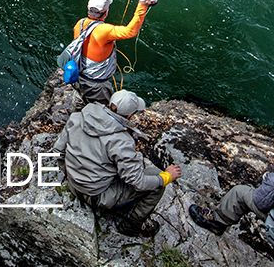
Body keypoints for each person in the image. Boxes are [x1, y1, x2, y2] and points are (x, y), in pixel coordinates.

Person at [53, 88, 182, 237]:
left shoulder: (78, 116)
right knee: (156, 179)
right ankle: (131, 225)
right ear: (129, 115)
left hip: (74, 185)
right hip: (97, 197)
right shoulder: (121, 141)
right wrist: (167, 177)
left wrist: (69, 174)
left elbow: (58, 151)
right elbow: (138, 182)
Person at [71, 0, 156, 103]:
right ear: (106, 13)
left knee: (79, 103)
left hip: (79, 77)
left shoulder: (80, 24)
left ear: (88, 8)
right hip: (96, 85)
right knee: (100, 109)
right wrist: (142, 6)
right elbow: (130, 32)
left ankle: (76, 116)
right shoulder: (105, 31)